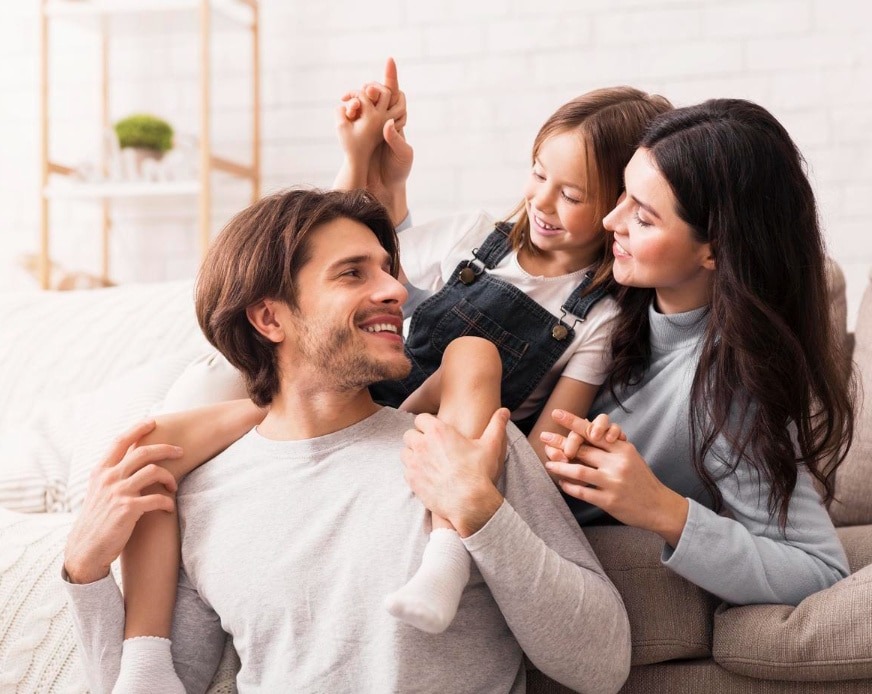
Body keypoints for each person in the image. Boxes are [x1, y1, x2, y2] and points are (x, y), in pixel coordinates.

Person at [111, 55, 672, 658]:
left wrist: (509, 482)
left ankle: (446, 555)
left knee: (473, 354)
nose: (543, 202)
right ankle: (143, 657)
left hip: (448, 428)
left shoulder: (600, 316)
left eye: (571, 195)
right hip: (359, 393)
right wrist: (363, 158)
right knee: (153, 443)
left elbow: (546, 445)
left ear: (618, 208)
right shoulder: (475, 238)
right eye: (538, 176)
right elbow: (354, 259)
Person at [62, 188, 632, 694]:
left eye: (387, 269)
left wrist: (479, 511)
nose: (395, 290)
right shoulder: (206, 492)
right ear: (269, 319)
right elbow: (159, 683)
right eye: (353, 273)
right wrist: (84, 572)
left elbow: (602, 667)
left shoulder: (464, 448)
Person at [539, 99, 854, 606]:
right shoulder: (606, 282)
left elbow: (820, 570)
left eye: (642, 217)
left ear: (716, 249)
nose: (609, 220)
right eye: (623, 194)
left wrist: (661, 508)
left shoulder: (728, 391)